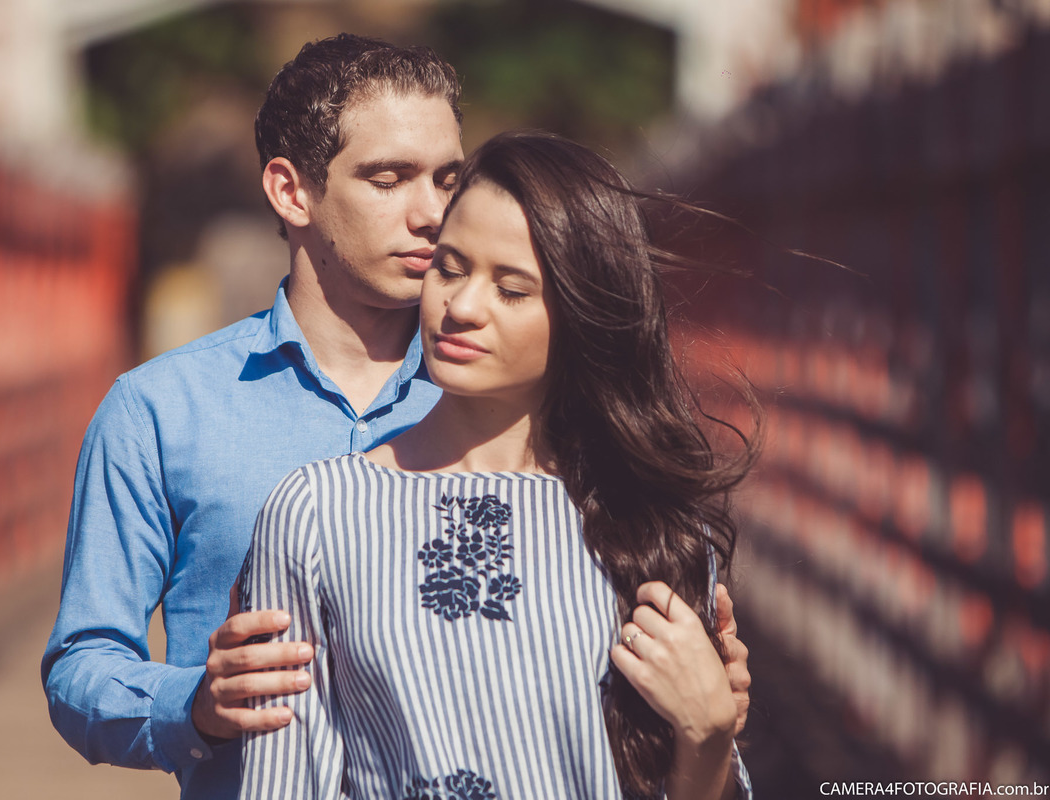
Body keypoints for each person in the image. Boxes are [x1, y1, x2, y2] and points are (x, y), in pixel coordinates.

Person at [42, 34, 750, 800]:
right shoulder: (159, 411)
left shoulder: (510, 391)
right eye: (389, 178)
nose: (431, 213)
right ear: (290, 192)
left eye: (448, 178)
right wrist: (199, 706)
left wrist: (687, 693)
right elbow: (83, 662)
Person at [238, 131, 757, 800]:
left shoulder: (649, 525)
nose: (461, 307)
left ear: (581, 314)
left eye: (511, 290)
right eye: (450, 268)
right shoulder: (317, 511)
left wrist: (709, 734)